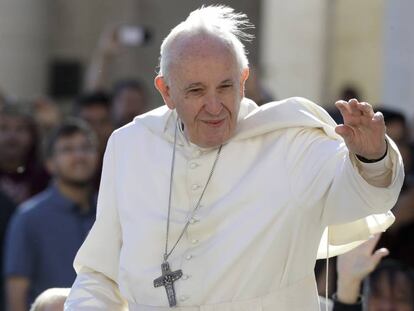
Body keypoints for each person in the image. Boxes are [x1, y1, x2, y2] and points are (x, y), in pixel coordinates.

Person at [65, 6, 404, 310]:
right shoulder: (131, 146)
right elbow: (101, 275)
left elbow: (364, 198)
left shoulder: (289, 140)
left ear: (243, 81)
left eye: (225, 87)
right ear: (166, 91)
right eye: (196, 91)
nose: (214, 107)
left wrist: (371, 156)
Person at [4, 119, 98, 311]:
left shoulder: (112, 211)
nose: (79, 156)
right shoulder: (28, 218)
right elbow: (16, 291)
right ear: (49, 164)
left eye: (86, 147)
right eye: (67, 149)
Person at [0, 103, 49, 205]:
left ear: (33, 136)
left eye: (20, 129)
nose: (12, 136)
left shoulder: (46, 179)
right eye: (3, 128)